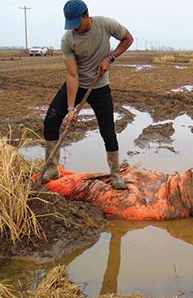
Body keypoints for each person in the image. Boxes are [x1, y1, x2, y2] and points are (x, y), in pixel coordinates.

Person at [42, 0, 134, 189]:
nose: (75, 29)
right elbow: (72, 74)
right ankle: (52, 169)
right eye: (71, 25)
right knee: (51, 120)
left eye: (77, 23)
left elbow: (128, 39)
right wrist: (70, 109)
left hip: (99, 87)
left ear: (86, 15)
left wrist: (110, 58)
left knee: (107, 130)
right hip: (77, 85)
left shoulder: (106, 25)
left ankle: (115, 174)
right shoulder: (68, 40)